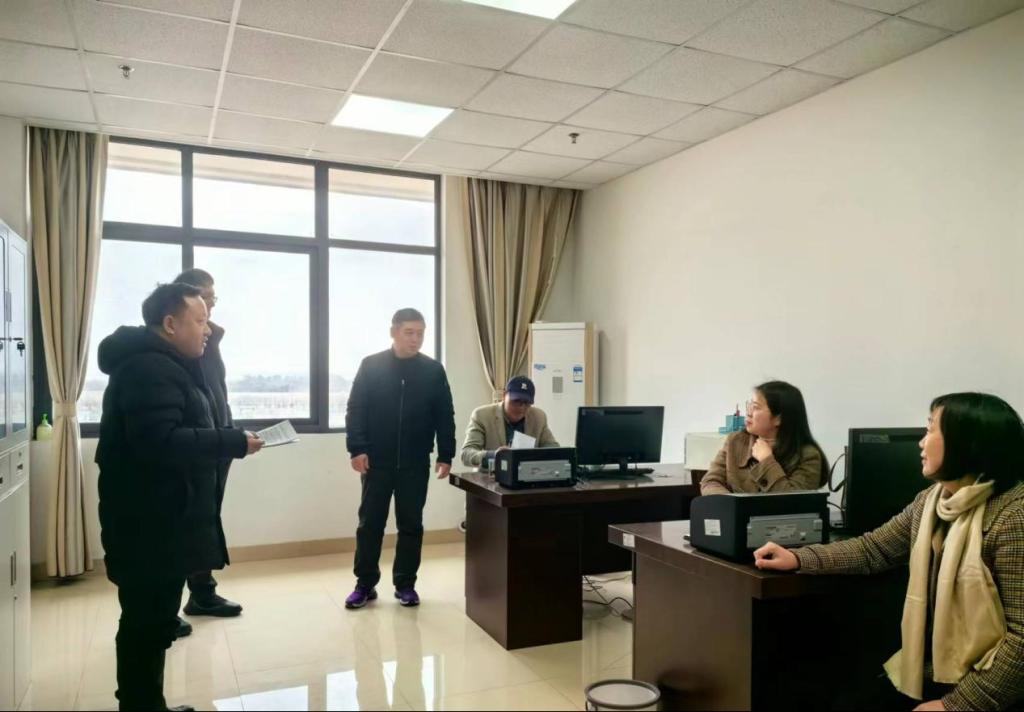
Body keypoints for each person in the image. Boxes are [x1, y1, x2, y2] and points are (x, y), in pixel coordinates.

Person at [755, 392, 1024, 711]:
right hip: (936, 670)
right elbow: (874, 548)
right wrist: (800, 557)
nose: (921, 442)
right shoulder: (932, 501)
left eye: (930, 429)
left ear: (967, 443)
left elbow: (1021, 640)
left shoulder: (1013, 517)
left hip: (990, 685)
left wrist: (957, 705)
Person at [96, 283, 264, 711]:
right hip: (149, 525)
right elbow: (161, 443)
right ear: (170, 324)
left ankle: (145, 703)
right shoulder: (150, 369)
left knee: (152, 621)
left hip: (161, 521)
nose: (207, 329)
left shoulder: (165, 364)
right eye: (200, 320)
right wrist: (231, 441)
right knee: (146, 622)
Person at [344, 308, 456, 609]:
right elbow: (356, 409)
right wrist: (357, 448)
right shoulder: (371, 366)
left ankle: (405, 584)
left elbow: (444, 414)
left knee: (411, 525)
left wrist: (446, 453)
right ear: (393, 332)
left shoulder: (433, 371)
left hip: (414, 463)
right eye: (409, 332)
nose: (415, 339)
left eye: (420, 333)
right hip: (376, 462)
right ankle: (365, 584)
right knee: (370, 524)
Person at [171, 269, 243, 634]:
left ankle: (202, 593)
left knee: (206, 519)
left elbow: (216, 392)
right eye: (204, 297)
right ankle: (165, 607)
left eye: (213, 298)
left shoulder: (208, 338)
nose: (210, 305)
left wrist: (229, 433)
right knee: (180, 523)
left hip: (216, 443)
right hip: (191, 446)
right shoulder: (176, 343)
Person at [700, 380, 828, 495]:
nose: (748, 412)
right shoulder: (735, 441)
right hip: (735, 513)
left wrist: (767, 461)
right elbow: (710, 482)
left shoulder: (808, 456)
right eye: (750, 405)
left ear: (778, 419)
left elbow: (793, 504)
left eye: (756, 407)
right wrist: (734, 505)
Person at [460, 375, 559, 470]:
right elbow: (466, 454)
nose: (521, 408)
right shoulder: (482, 415)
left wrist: (534, 456)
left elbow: (554, 448)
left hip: (527, 475)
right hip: (492, 476)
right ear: (504, 396)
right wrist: (495, 455)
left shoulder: (538, 417)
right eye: (516, 401)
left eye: (526, 403)